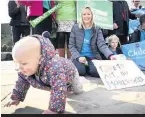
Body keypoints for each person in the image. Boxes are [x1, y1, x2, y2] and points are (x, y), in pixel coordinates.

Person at [4, 32, 83, 114]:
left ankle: (80, 81)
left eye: (23, 63)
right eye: (17, 63)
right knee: (64, 89)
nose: (19, 68)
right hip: (55, 80)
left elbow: (58, 88)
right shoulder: (24, 70)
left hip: (71, 73)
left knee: (77, 90)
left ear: (40, 59)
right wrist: (16, 97)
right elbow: (21, 83)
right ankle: (67, 87)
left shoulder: (54, 67)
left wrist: (54, 110)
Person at [69, 7, 116, 77]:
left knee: (97, 72)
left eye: (88, 14)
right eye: (84, 14)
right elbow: (71, 46)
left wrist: (110, 55)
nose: (86, 16)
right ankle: (84, 67)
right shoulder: (75, 28)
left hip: (92, 56)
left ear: (92, 15)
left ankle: (89, 67)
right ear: (81, 16)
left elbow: (102, 45)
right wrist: (78, 57)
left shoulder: (97, 29)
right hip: (79, 56)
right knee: (80, 71)